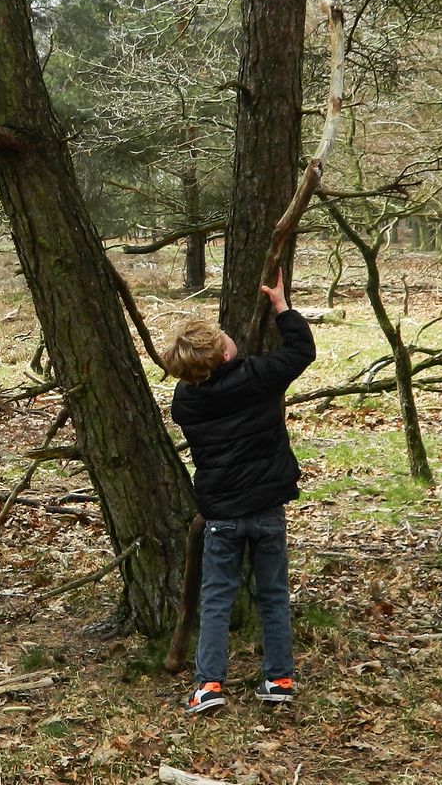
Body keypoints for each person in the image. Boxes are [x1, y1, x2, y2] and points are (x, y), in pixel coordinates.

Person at [158, 274, 316, 713]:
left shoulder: (185, 402)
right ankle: (279, 679)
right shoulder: (256, 377)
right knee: (272, 594)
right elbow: (301, 351)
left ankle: (209, 685)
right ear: (225, 352)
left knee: (216, 599)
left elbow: (210, 381)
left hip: (221, 514)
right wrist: (282, 307)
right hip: (266, 509)